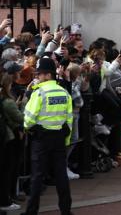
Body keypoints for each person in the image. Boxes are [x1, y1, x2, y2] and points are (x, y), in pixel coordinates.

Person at [23, 57, 73, 215]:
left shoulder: (39, 93)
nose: (37, 77)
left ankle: (32, 211)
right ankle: (65, 210)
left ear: (47, 75)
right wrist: (65, 140)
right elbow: (69, 119)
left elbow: (28, 119)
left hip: (41, 139)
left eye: (39, 74)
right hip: (59, 138)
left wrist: (26, 128)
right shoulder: (64, 92)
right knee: (61, 176)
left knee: (37, 176)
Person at [0, 73, 24, 212]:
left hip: (6, 136)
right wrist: (22, 104)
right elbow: (20, 118)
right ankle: (6, 200)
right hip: (9, 138)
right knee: (7, 170)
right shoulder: (7, 101)